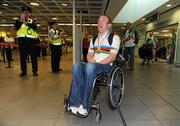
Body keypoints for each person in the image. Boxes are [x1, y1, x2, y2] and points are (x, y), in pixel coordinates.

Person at [67, 15, 120, 116]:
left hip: (105, 65)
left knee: (91, 67)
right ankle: (75, 103)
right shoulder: (94, 39)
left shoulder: (114, 38)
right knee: (77, 65)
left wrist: (95, 64)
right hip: (93, 64)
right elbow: (89, 54)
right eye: (98, 21)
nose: (100, 23)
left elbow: (112, 57)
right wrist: (91, 61)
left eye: (103, 21)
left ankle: (84, 105)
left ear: (109, 25)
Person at [14, 6, 38, 77]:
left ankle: (35, 71)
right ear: (22, 13)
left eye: (27, 13)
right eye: (24, 12)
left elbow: (34, 27)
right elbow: (16, 27)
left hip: (31, 40)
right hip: (22, 40)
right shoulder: (18, 20)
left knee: (33, 56)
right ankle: (23, 71)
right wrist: (21, 21)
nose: (25, 14)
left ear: (30, 14)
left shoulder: (32, 20)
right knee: (23, 57)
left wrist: (26, 23)